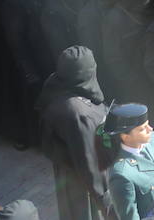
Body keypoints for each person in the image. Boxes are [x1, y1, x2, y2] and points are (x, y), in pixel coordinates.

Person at [37, 46, 109, 220]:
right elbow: (88, 160)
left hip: (69, 171)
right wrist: (103, 197)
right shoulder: (78, 114)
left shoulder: (56, 84)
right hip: (84, 183)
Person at [101, 104, 154, 220]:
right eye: (143, 129)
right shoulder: (121, 173)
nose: (150, 129)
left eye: (148, 125)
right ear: (125, 137)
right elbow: (130, 217)